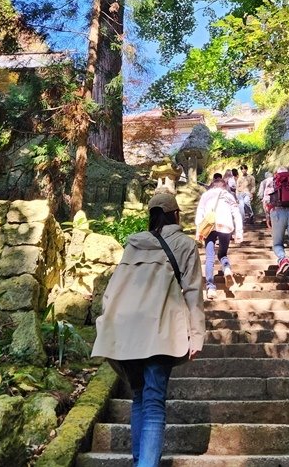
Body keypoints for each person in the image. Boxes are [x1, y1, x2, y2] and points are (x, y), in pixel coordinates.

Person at [92, 191, 204, 467]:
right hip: (159, 328)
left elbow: (112, 290)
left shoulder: (133, 245)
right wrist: (197, 334)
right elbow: (193, 292)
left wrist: (106, 323)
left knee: (140, 397)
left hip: (126, 329)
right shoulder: (184, 244)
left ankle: (140, 462)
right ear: (175, 214)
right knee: (154, 402)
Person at [194, 178, 243, 299]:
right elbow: (237, 214)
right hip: (226, 226)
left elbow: (199, 212)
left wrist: (198, 230)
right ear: (224, 186)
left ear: (211, 186)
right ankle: (226, 269)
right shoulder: (229, 195)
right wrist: (239, 232)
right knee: (222, 254)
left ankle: (211, 288)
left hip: (209, 226)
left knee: (209, 257)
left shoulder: (206, 195)